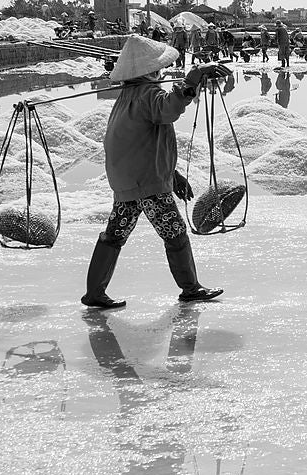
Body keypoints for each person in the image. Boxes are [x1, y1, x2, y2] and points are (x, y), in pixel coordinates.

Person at [81, 35, 229, 309]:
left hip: (129, 182)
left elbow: (143, 146)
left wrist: (171, 176)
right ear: (149, 71)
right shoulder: (148, 95)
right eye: (158, 69)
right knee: (175, 233)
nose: (161, 73)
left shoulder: (128, 96)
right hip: (146, 184)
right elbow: (169, 109)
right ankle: (191, 288)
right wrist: (191, 80)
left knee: (114, 235)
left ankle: (94, 292)